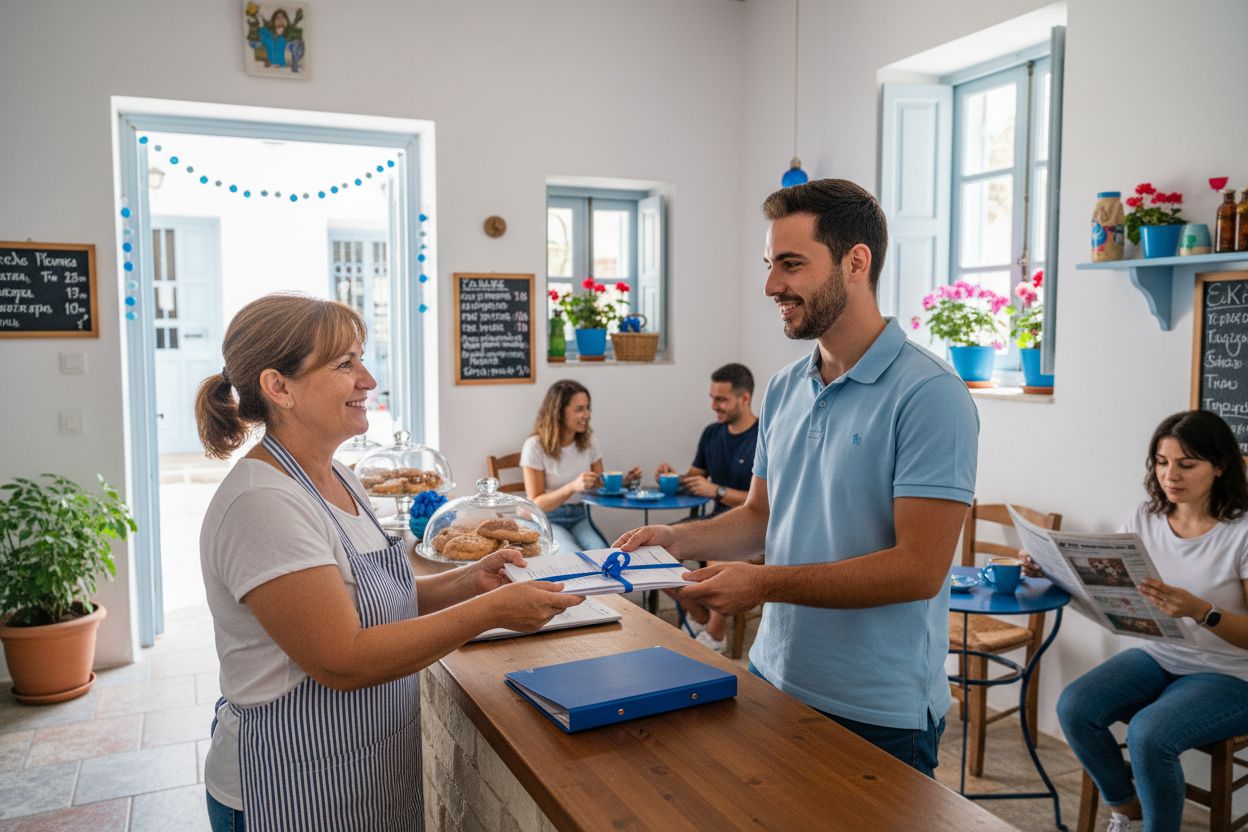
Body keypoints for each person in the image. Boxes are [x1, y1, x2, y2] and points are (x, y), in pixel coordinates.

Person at [616, 179, 979, 777]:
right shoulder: (785, 387)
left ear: (855, 262)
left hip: (878, 711)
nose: (770, 286)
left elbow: (919, 569)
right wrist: (676, 541)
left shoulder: (931, 395)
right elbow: (762, 517)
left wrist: (761, 586)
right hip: (774, 675)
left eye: (791, 264)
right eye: (769, 265)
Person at [195, 293, 580, 832]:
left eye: (362, 359)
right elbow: (342, 658)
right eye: (345, 364)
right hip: (289, 785)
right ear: (278, 387)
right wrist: (490, 612)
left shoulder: (341, 477)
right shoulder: (263, 504)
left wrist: (475, 581)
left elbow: (374, 600)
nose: (369, 380)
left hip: (362, 771)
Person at [1036, 410, 1248, 832]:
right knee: (1075, 705)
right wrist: (1049, 569)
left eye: (1187, 464)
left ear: (1220, 466)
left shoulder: (1240, 531)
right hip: (1161, 654)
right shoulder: (1145, 518)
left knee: (1149, 734)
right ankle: (1127, 811)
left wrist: (1200, 611)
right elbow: (1109, 587)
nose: (1171, 475)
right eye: (1161, 461)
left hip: (1231, 674)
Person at [654, 362, 759, 652]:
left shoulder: (764, 436)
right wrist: (670, 478)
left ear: (745, 398)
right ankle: (698, 615)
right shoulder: (712, 433)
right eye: (712, 397)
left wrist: (718, 490)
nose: (714, 406)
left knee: (717, 555)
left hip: (750, 528)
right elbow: (695, 479)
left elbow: (766, 502)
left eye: (721, 399)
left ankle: (714, 635)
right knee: (651, 552)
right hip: (713, 519)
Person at [520, 379, 639, 553]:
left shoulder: (588, 442)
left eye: (587, 408)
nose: (587, 414)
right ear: (559, 412)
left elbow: (600, 485)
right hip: (547, 518)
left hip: (579, 516)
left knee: (602, 554)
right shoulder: (534, 446)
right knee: (572, 555)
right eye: (579, 409)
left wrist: (626, 482)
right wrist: (573, 487)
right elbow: (536, 502)